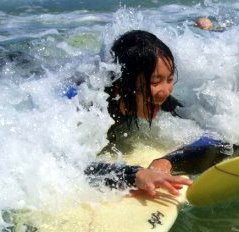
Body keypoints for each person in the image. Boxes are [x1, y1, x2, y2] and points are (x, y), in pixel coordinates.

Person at [83, 30, 234, 197]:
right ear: (122, 84)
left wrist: (167, 162)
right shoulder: (88, 108)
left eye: (169, 79)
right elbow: (67, 165)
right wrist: (134, 174)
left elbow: (217, 139)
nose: (165, 92)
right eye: (155, 81)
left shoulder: (160, 100)